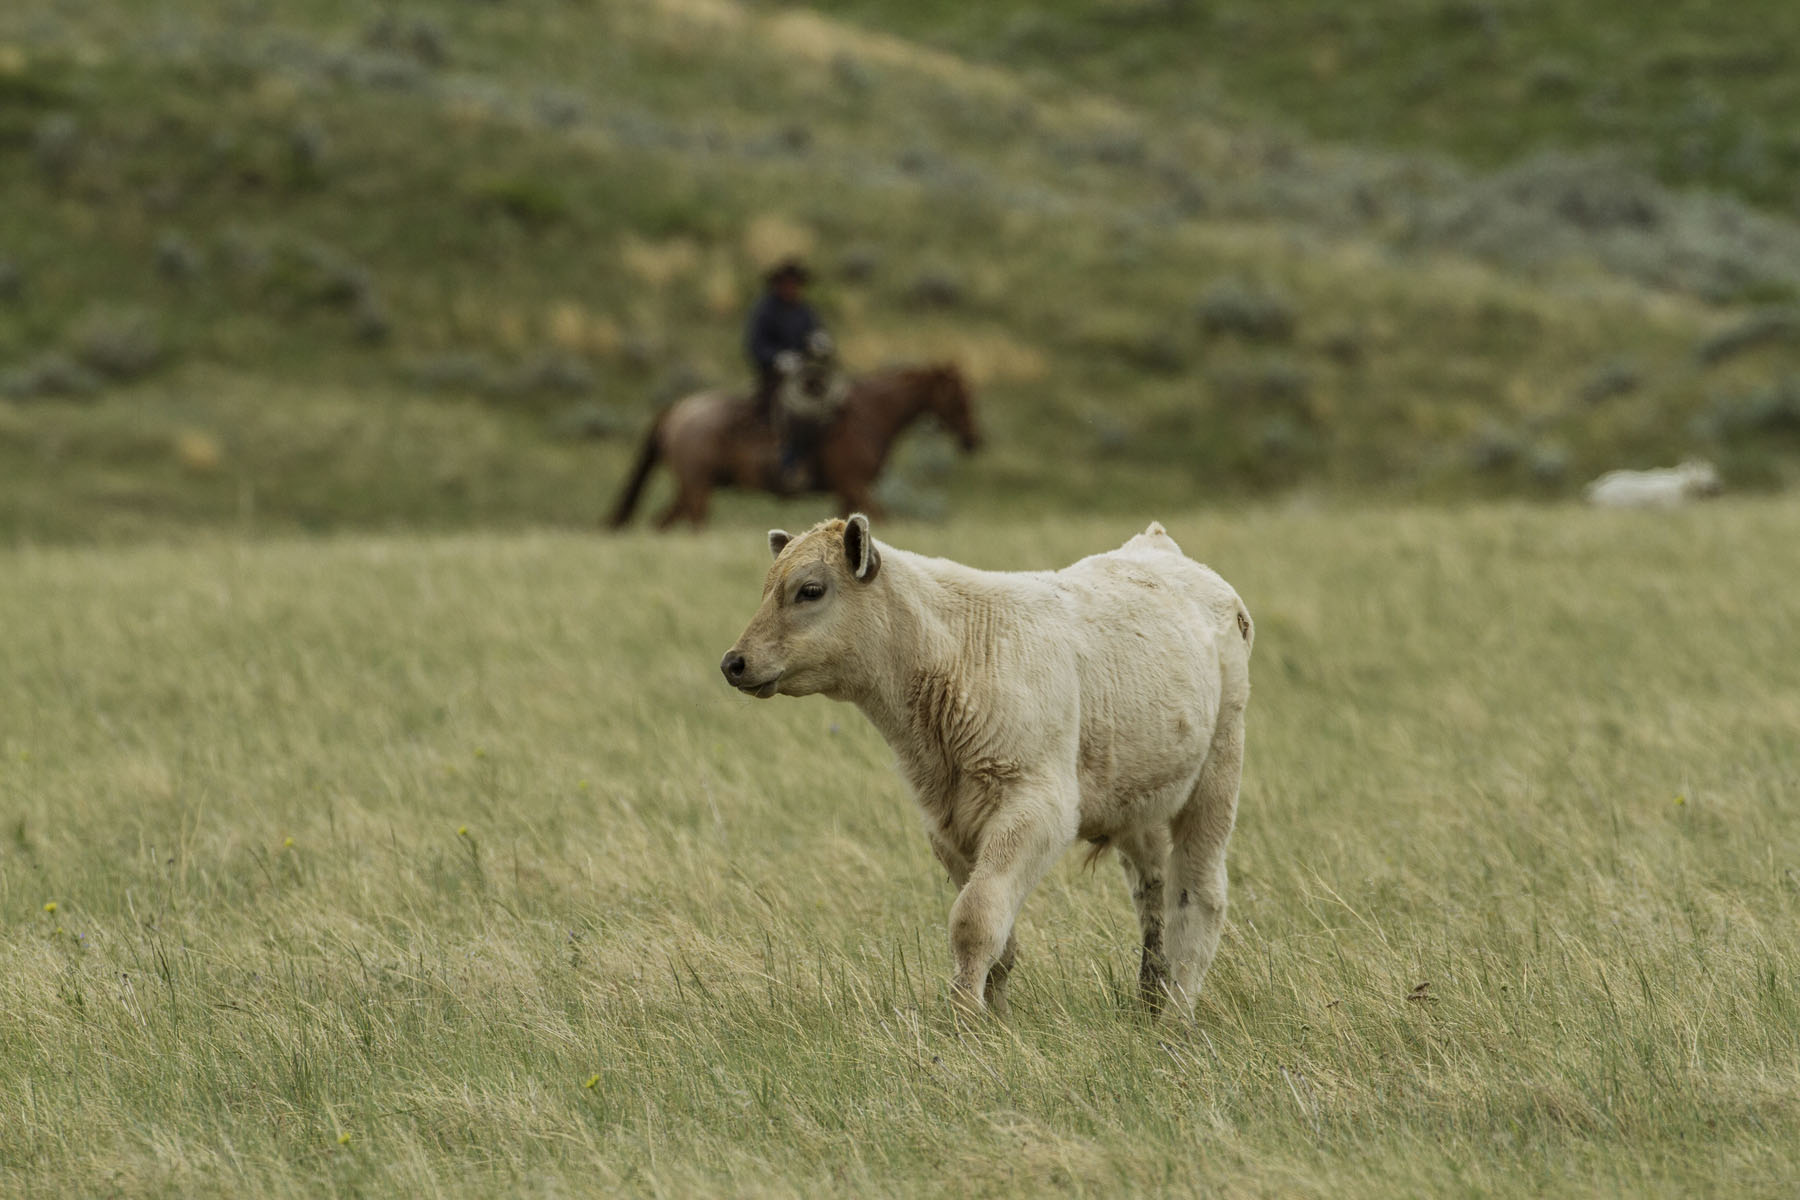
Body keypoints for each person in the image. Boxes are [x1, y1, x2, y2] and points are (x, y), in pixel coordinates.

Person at [744, 259, 826, 490]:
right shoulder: (765, 311)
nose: (792, 288)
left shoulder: (804, 310)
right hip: (775, 378)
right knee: (793, 411)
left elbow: (815, 334)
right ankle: (789, 464)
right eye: (788, 284)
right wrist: (777, 358)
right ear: (777, 285)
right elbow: (755, 346)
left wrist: (819, 343)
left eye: (796, 284)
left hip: (805, 375)